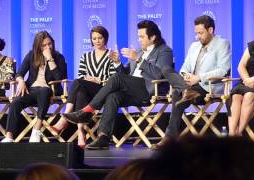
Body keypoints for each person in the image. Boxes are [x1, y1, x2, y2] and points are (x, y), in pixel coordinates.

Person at [63, 20, 174, 150]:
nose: (139, 40)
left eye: (142, 37)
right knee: (113, 95)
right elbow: (125, 74)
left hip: (148, 89)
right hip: (131, 90)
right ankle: (103, 137)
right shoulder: (139, 51)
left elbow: (159, 74)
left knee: (116, 78)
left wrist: (138, 59)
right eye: (138, 36)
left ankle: (87, 110)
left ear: (153, 37)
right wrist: (117, 63)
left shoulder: (164, 51)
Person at [153, 15, 231, 149]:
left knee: (177, 95)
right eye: (196, 33)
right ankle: (185, 89)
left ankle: (169, 138)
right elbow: (184, 68)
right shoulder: (194, 46)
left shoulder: (222, 43)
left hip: (207, 87)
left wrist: (199, 77)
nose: (197, 37)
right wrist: (185, 76)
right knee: (166, 69)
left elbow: (223, 70)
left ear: (211, 30)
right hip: (189, 85)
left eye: (201, 33)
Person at [51, 26, 116, 148]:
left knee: (77, 82)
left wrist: (98, 80)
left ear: (105, 39)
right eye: (94, 38)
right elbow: (81, 75)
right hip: (86, 91)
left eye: (100, 38)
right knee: (80, 91)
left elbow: (113, 80)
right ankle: (81, 132)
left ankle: (65, 118)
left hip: (102, 91)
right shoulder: (85, 56)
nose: (97, 41)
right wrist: (89, 79)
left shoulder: (110, 56)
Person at [1, 31, 67, 143]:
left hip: (50, 91)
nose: (48, 47)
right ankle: (9, 136)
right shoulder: (31, 55)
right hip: (31, 90)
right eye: (44, 45)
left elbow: (60, 77)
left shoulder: (59, 57)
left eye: (49, 44)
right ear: (38, 46)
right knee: (16, 102)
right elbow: (19, 73)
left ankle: (37, 129)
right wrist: (21, 81)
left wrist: (50, 59)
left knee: (44, 90)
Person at [152, 136, 254, 179]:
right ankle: (234, 133)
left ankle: (235, 137)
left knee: (246, 95)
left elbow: (221, 73)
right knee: (236, 96)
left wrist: (199, 78)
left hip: (210, 84)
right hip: (194, 86)